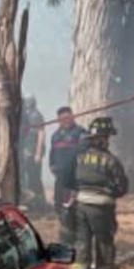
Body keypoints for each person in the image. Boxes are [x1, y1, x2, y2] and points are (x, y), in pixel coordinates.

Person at [72, 117, 129, 269]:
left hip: (80, 206)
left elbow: (71, 179)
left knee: (82, 242)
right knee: (104, 242)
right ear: (103, 138)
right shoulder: (111, 160)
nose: (108, 141)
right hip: (101, 209)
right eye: (107, 137)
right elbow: (122, 187)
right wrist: (111, 192)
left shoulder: (80, 157)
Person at [48, 105, 88, 244]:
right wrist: (52, 167)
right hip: (61, 178)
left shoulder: (81, 133)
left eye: (68, 117)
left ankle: (78, 234)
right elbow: (52, 154)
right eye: (62, 119)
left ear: (72, 117)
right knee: (59, 205)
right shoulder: (56, 136)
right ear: (58, 120)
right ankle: (66, 232)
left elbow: (86, 154)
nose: (65, 121)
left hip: (76, 178)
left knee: (75, 205)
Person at [20, 96, 48, 212]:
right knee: (27, 178)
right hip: (25, 150)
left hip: (32, 151)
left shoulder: (35, 115)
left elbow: (41, 133)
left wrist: (38, 153)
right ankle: (33, 204)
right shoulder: (24, 114)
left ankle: (38, 205)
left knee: (33, 179)